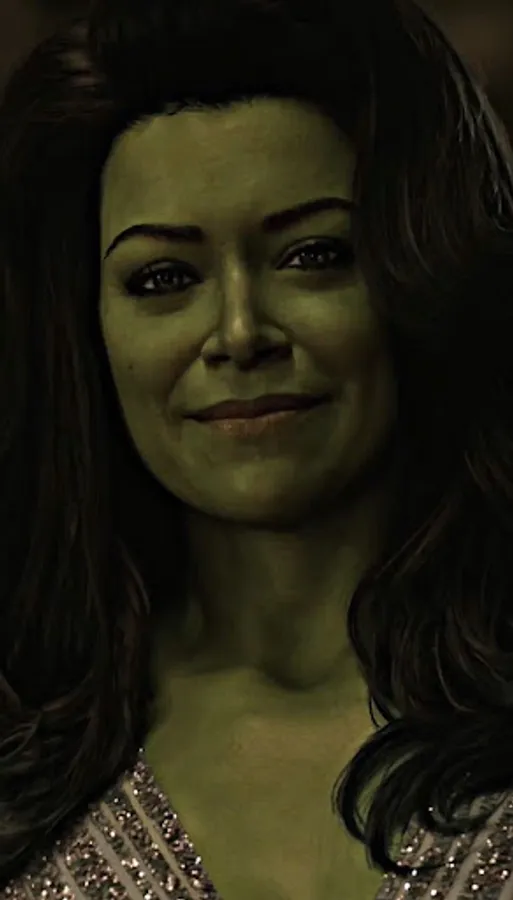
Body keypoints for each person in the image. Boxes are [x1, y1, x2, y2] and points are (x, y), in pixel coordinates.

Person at [1, 0, 513, 897]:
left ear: (421, 270)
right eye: (164, 277)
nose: (239, 333)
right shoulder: (22, 743)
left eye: (312, 256)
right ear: (86, 333)